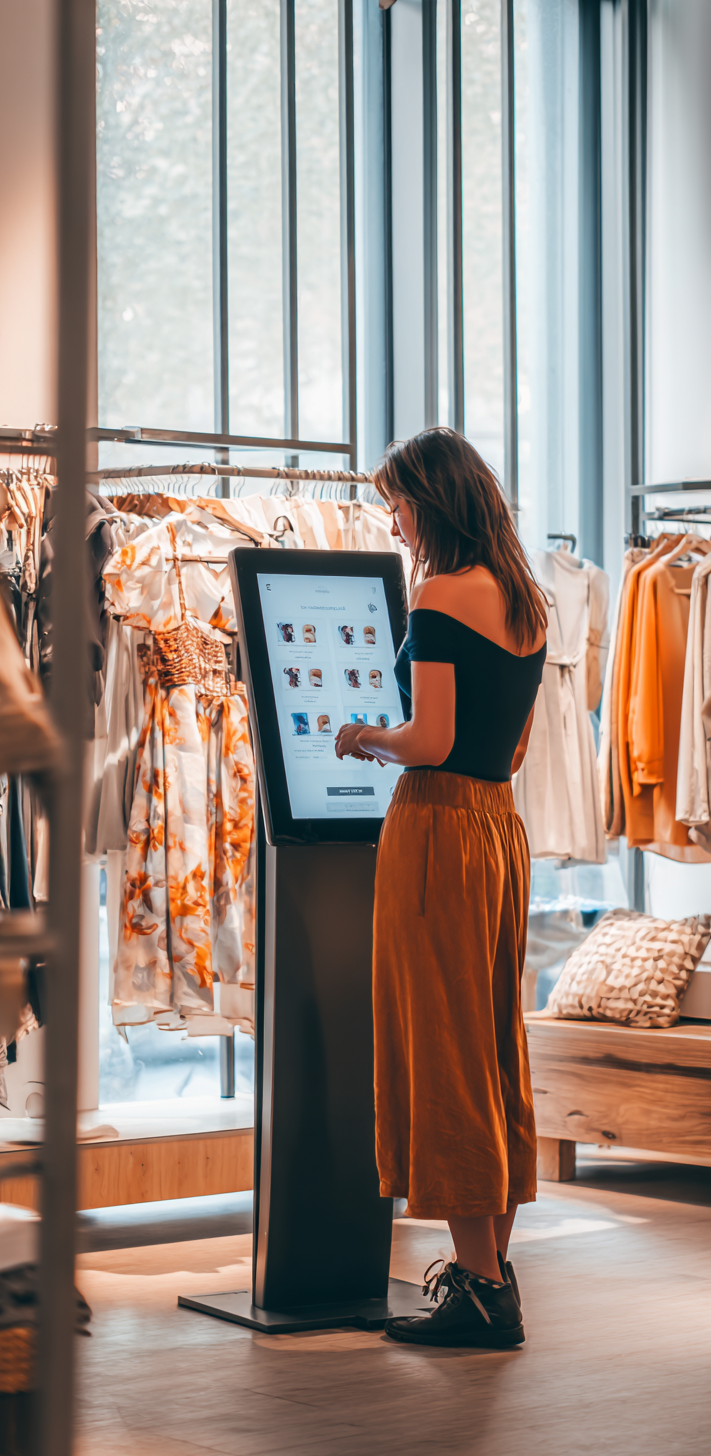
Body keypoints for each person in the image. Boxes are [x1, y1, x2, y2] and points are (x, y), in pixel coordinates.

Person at [335, 428, 547, 1350]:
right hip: (498, 826)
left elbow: (428, 739)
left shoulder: (438, 595)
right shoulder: (524, 599)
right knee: (490, 1042)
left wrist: (362, 736)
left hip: (438, 826)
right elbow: (512, 746)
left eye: (398, 503)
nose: (394, 521)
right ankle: (489, 1273)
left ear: (431, 501)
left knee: (442, 1048)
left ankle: (482, 1289)